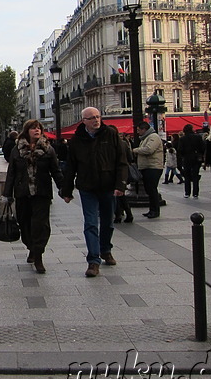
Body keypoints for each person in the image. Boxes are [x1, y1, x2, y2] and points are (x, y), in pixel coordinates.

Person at [60, 107, 127, 278]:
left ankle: (106, 249)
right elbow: (71, 167)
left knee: (108, 222)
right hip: (87, 187)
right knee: (90, 223)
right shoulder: (76, 140)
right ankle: (93, 260)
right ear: (83, 121)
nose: (96, 120)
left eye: (98, 117)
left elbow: (121, 161)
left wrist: (120, 184)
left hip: (108, 185)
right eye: (91, 118)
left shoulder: (110, 134)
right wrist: (66, 191)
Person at [1, 119, 63, 274]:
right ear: (26, 131)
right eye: (33, 128)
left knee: (40, 225)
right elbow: (11, 173)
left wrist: (64, 188)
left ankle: (39, 255)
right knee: (25, 223)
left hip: (42, 193)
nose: (37, 131)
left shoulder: (48, 149)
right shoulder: (17, 150)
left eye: (39, 128)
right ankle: (31, 247)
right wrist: (7, 194)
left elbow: (55, 171)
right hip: (23, 193)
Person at [132, 121, 164, 219]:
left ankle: (155, 210)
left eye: (138, 130)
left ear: (144, 129)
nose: (138, 132)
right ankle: (152, 209)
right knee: (149, 190)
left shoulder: (153, 137)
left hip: (153, 167)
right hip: (147, 167)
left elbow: (149, 149)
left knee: (152, 189)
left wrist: (135, 150)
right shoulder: (146, 138)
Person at [109, 125, 134, 224]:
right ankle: (128, 213)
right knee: (121, 194)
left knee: (115, 195)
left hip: (112, 172)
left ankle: (118, 215)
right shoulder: (123, 143)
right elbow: (130, 157)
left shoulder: (109, 144)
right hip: (123, 172)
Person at [177, 124, 205, 198]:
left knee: (187, 176)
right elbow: (202, 148)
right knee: (195, 175)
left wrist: (183, 156)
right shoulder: (198, 137)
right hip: (196, 158)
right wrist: (200, 154)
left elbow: (180, 150)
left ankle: (187, 192)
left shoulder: (182, 139)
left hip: (187, 158)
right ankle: (195, 193)